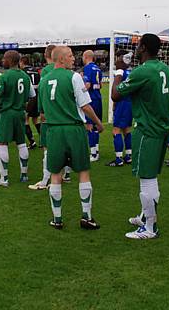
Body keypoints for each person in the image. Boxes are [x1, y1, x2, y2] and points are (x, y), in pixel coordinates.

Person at [111, 34, 169, 240]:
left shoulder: (141, 71)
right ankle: (145, 216)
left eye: (138, 45)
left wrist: (118, 70)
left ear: (143, 48)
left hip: (146, 130)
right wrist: (161, 112)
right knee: (151, 177)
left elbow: (115, 95)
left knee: (146, 179)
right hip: (161, 129)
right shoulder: (168, 70)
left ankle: (150, 228)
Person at [39, 46, 103, 230]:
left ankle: (57, 219)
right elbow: (85, 105)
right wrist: (98, 123)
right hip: (74, 130)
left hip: (53, 131)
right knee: (83, 172)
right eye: (69, 56)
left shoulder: (44, 81)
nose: (73, 59)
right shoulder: (74, 77)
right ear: (60, 59)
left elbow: (42, 114)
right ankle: (86, 217)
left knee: (55, 175)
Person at [0, 50, 36, 187]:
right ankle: (24, 175)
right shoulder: (25, 76)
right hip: (20, 113)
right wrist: (26, 110)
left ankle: (4, 179)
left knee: (2, 143)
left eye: (4, 59)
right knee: (21, 143)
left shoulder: (4, 77)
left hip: (6, 113)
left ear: (10, 60)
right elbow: (33, 96)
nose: (2, 61)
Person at [28, 44, 60, 190]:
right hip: (64, 113)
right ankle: (64, 174)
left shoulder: (46, 71)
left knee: (48, 147)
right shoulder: (66, 70)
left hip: (49, 112)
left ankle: (45, 179)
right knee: (62, 145)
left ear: (46, 55)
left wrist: (41, 110)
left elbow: (43, 91)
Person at [108, 49, 134, 167]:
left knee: (116, 130)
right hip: (129, 103)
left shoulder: (121, 73)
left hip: (122, 103)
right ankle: (128, 156)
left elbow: (117, 91)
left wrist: (115, 104)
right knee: (127, 129)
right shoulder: (130, 72)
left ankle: (118, 159)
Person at [82, 50, 103, 162]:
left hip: (90, 100)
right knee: (96, 126)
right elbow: (100, 85)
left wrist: (79, 90)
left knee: (89, 126)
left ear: (85, 57)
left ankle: (93, 154)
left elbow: (88, 85)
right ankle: (96, 151)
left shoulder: (87, 68)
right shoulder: (98, 68)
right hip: (98, 98)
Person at [20, 55, 41, 149]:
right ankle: (43, 139)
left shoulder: (23, 72)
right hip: (37, 95)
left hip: (29, 97)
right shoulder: (36, 70)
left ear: (22, 62)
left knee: (25, 119)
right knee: (36, 119)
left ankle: (32, 142)